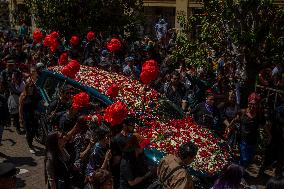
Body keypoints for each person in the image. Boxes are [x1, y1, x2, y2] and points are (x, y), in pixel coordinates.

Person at [19, 66, 41, 153]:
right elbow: (20, 106)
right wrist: (21, 118)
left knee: (34, 128)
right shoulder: (23, 96)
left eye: (32, 88)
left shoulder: (35, 96)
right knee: (29, 130)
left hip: (34, 113)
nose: (31, 89)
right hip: (26, 114)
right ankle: (30, 145)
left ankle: (30, 136)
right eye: (30, 88)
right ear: (27, 88)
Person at [238, 92, 264, 167]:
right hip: (243, 140)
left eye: (254, 104)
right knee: (244, 158)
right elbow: (235, 120)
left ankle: (242, 169)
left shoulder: (259, 115)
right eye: (250, 103)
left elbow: (264, 125)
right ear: (248, 103)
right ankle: (240, 171)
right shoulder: (242, 112)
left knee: (249, 159)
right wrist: (229, 127)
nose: (252, 105)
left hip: (253, 141)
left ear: (257, 105)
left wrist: (269, 135)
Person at [85, 125, 113, 189]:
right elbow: (99, 174)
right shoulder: (96, 151)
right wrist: (106, 159)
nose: (109, 138)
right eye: (108, 136)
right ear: (104, 137)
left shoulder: (106, 147)